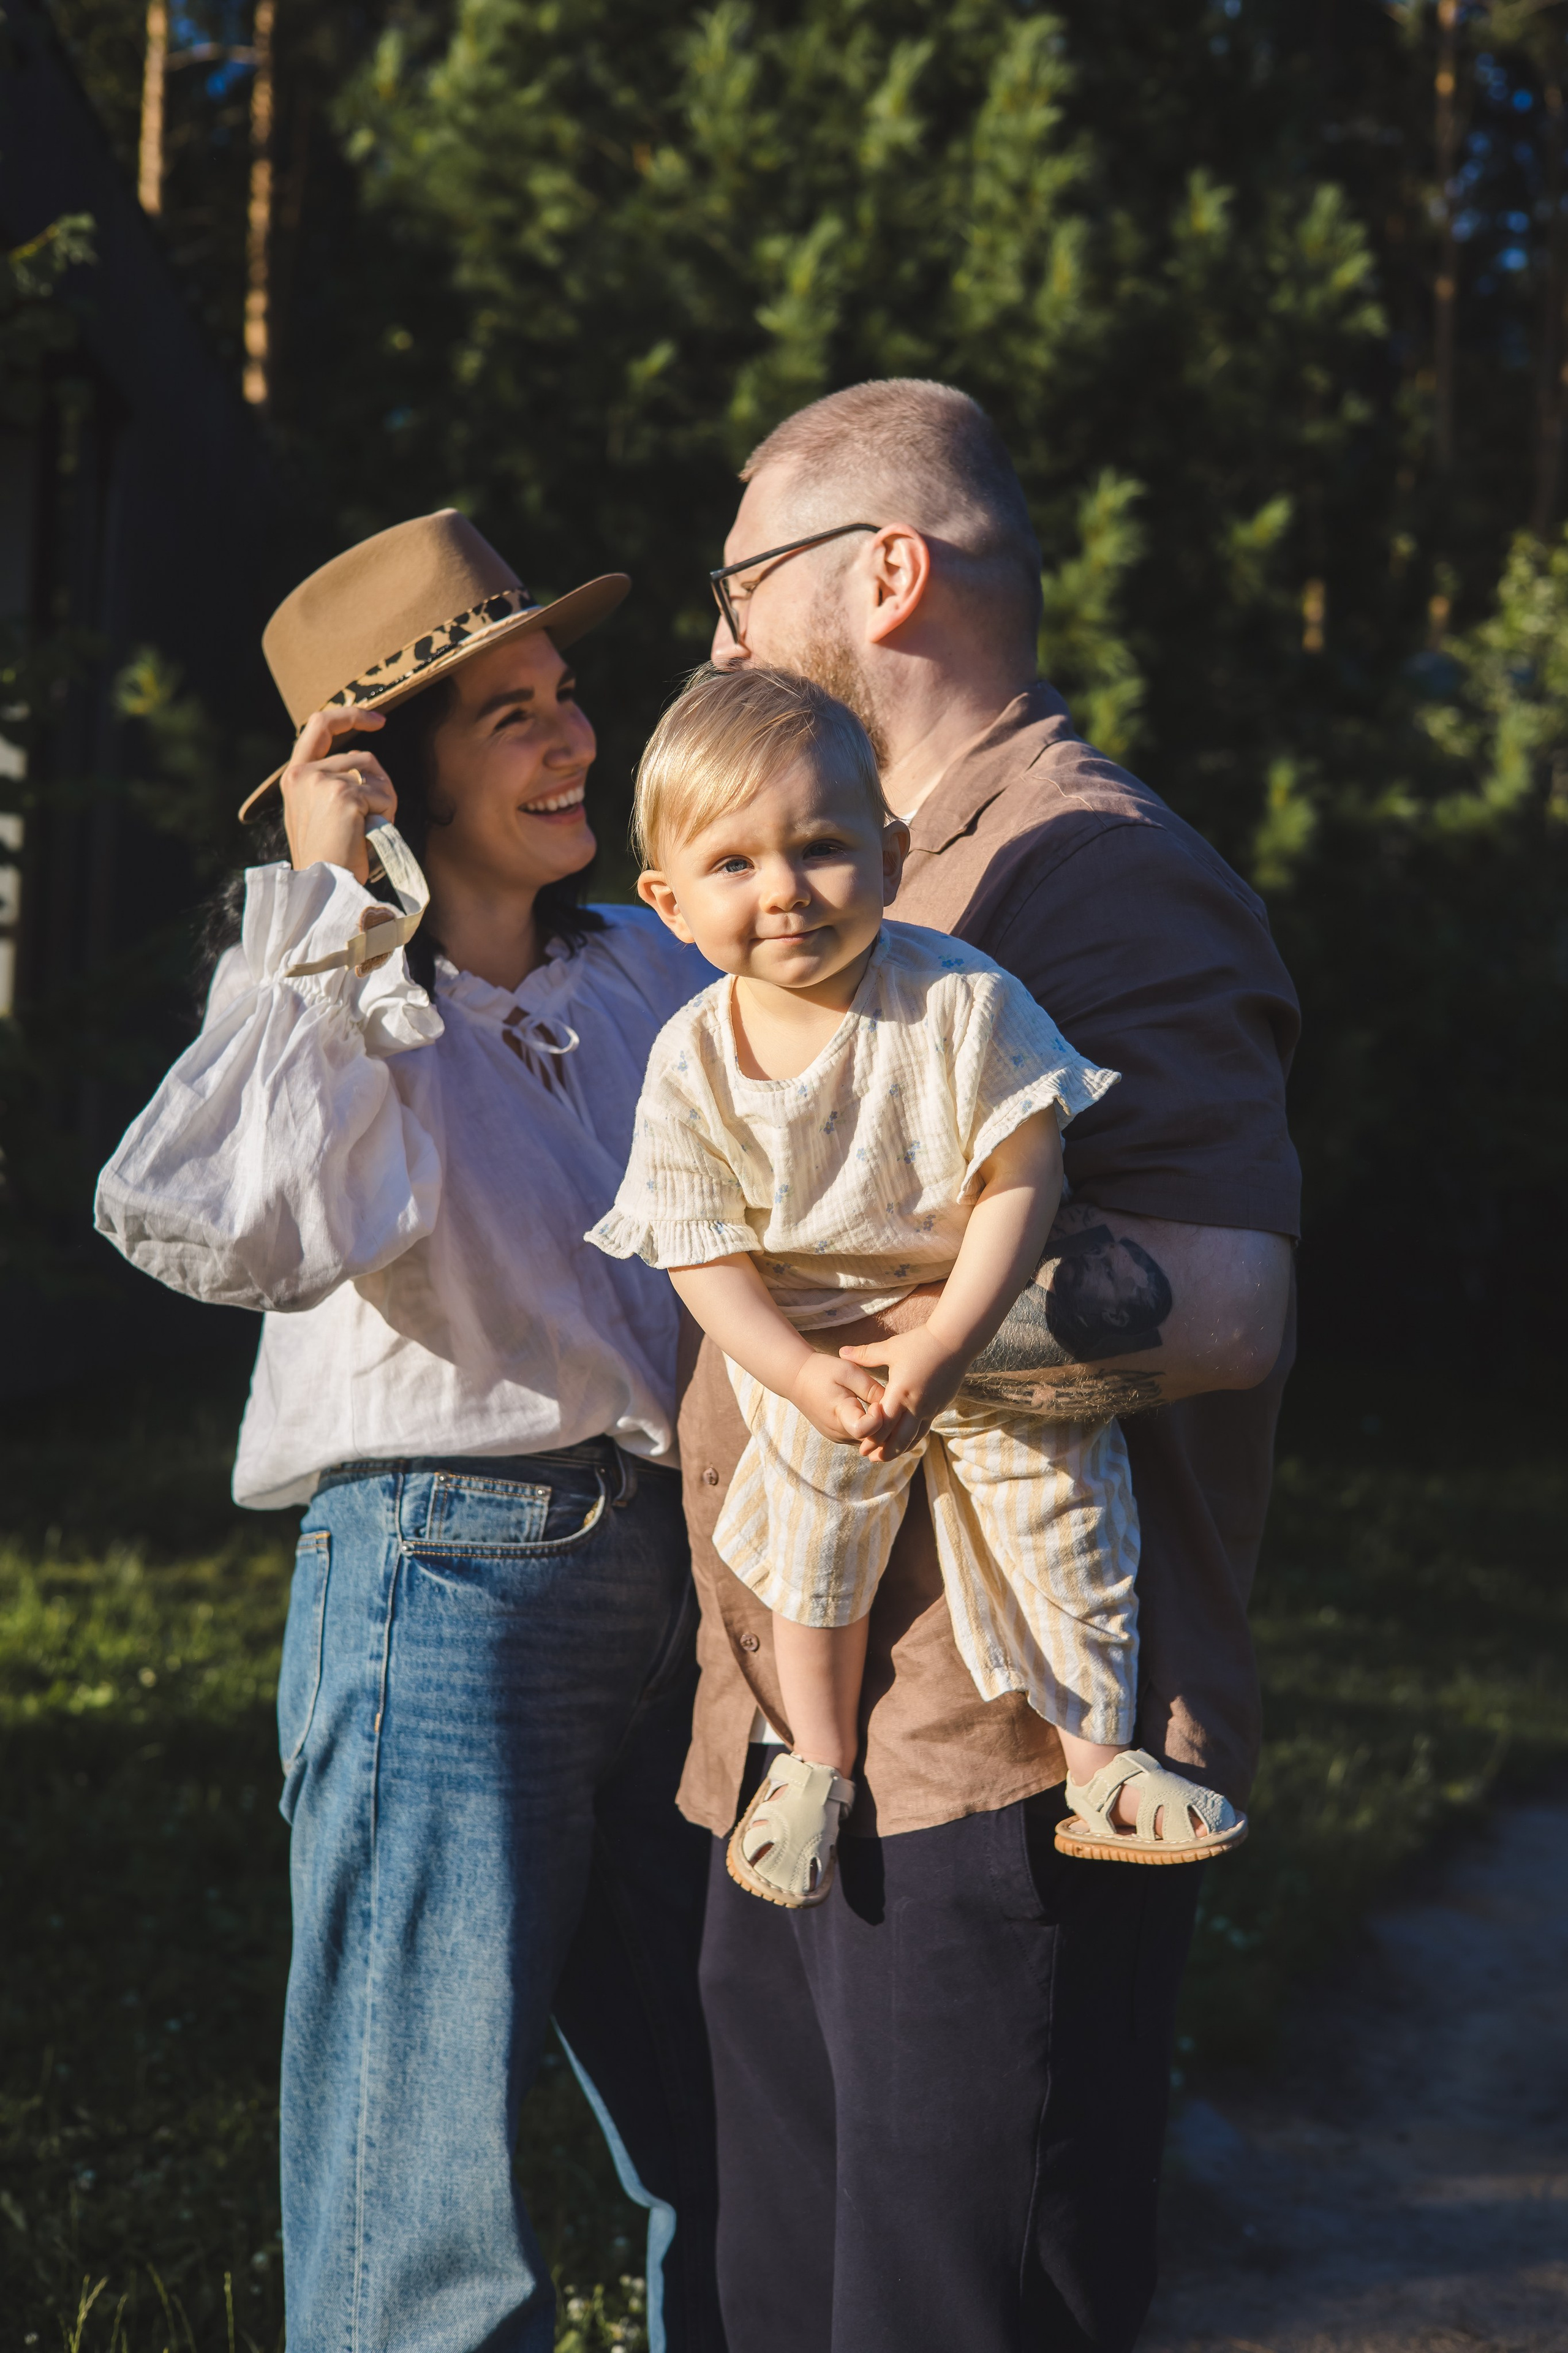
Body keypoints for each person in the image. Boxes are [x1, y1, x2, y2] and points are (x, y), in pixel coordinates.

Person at [677, 382, 1300, 2352]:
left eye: (739, 582)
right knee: (792, 2302)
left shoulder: (1088, 873)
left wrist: (866, 1342)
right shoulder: (864, 866)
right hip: (818, 1741)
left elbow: (1218, 1299)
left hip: (1002, 1769)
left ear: (887, 573)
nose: (714, 642)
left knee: (958, 2314)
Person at [95, 511, 725, 2353]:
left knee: (750, 2135)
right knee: (426, 2189)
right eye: (509, 713)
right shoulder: (337, 1004)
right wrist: (330, 905)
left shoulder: (646, 979)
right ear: (385, 771)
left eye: (567, 695)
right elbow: (227, 1227)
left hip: (693, 1589)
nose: (574, 739)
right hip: (449, 1580)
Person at [591, 663, 1244, 1909]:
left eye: (822, 846)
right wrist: (790, 1368)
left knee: (1063, 1511)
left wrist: (951, 1339)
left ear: (890, 853)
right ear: (668, 903)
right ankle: (815, 1761)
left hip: (976, 1319)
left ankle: (1101, 1765)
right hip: (813, 1347)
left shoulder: (952, 996)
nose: (783, 890)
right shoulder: (690, 1057)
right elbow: (693, 1242)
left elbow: (1021, 1172)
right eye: (733, 866)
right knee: (810, 1538)